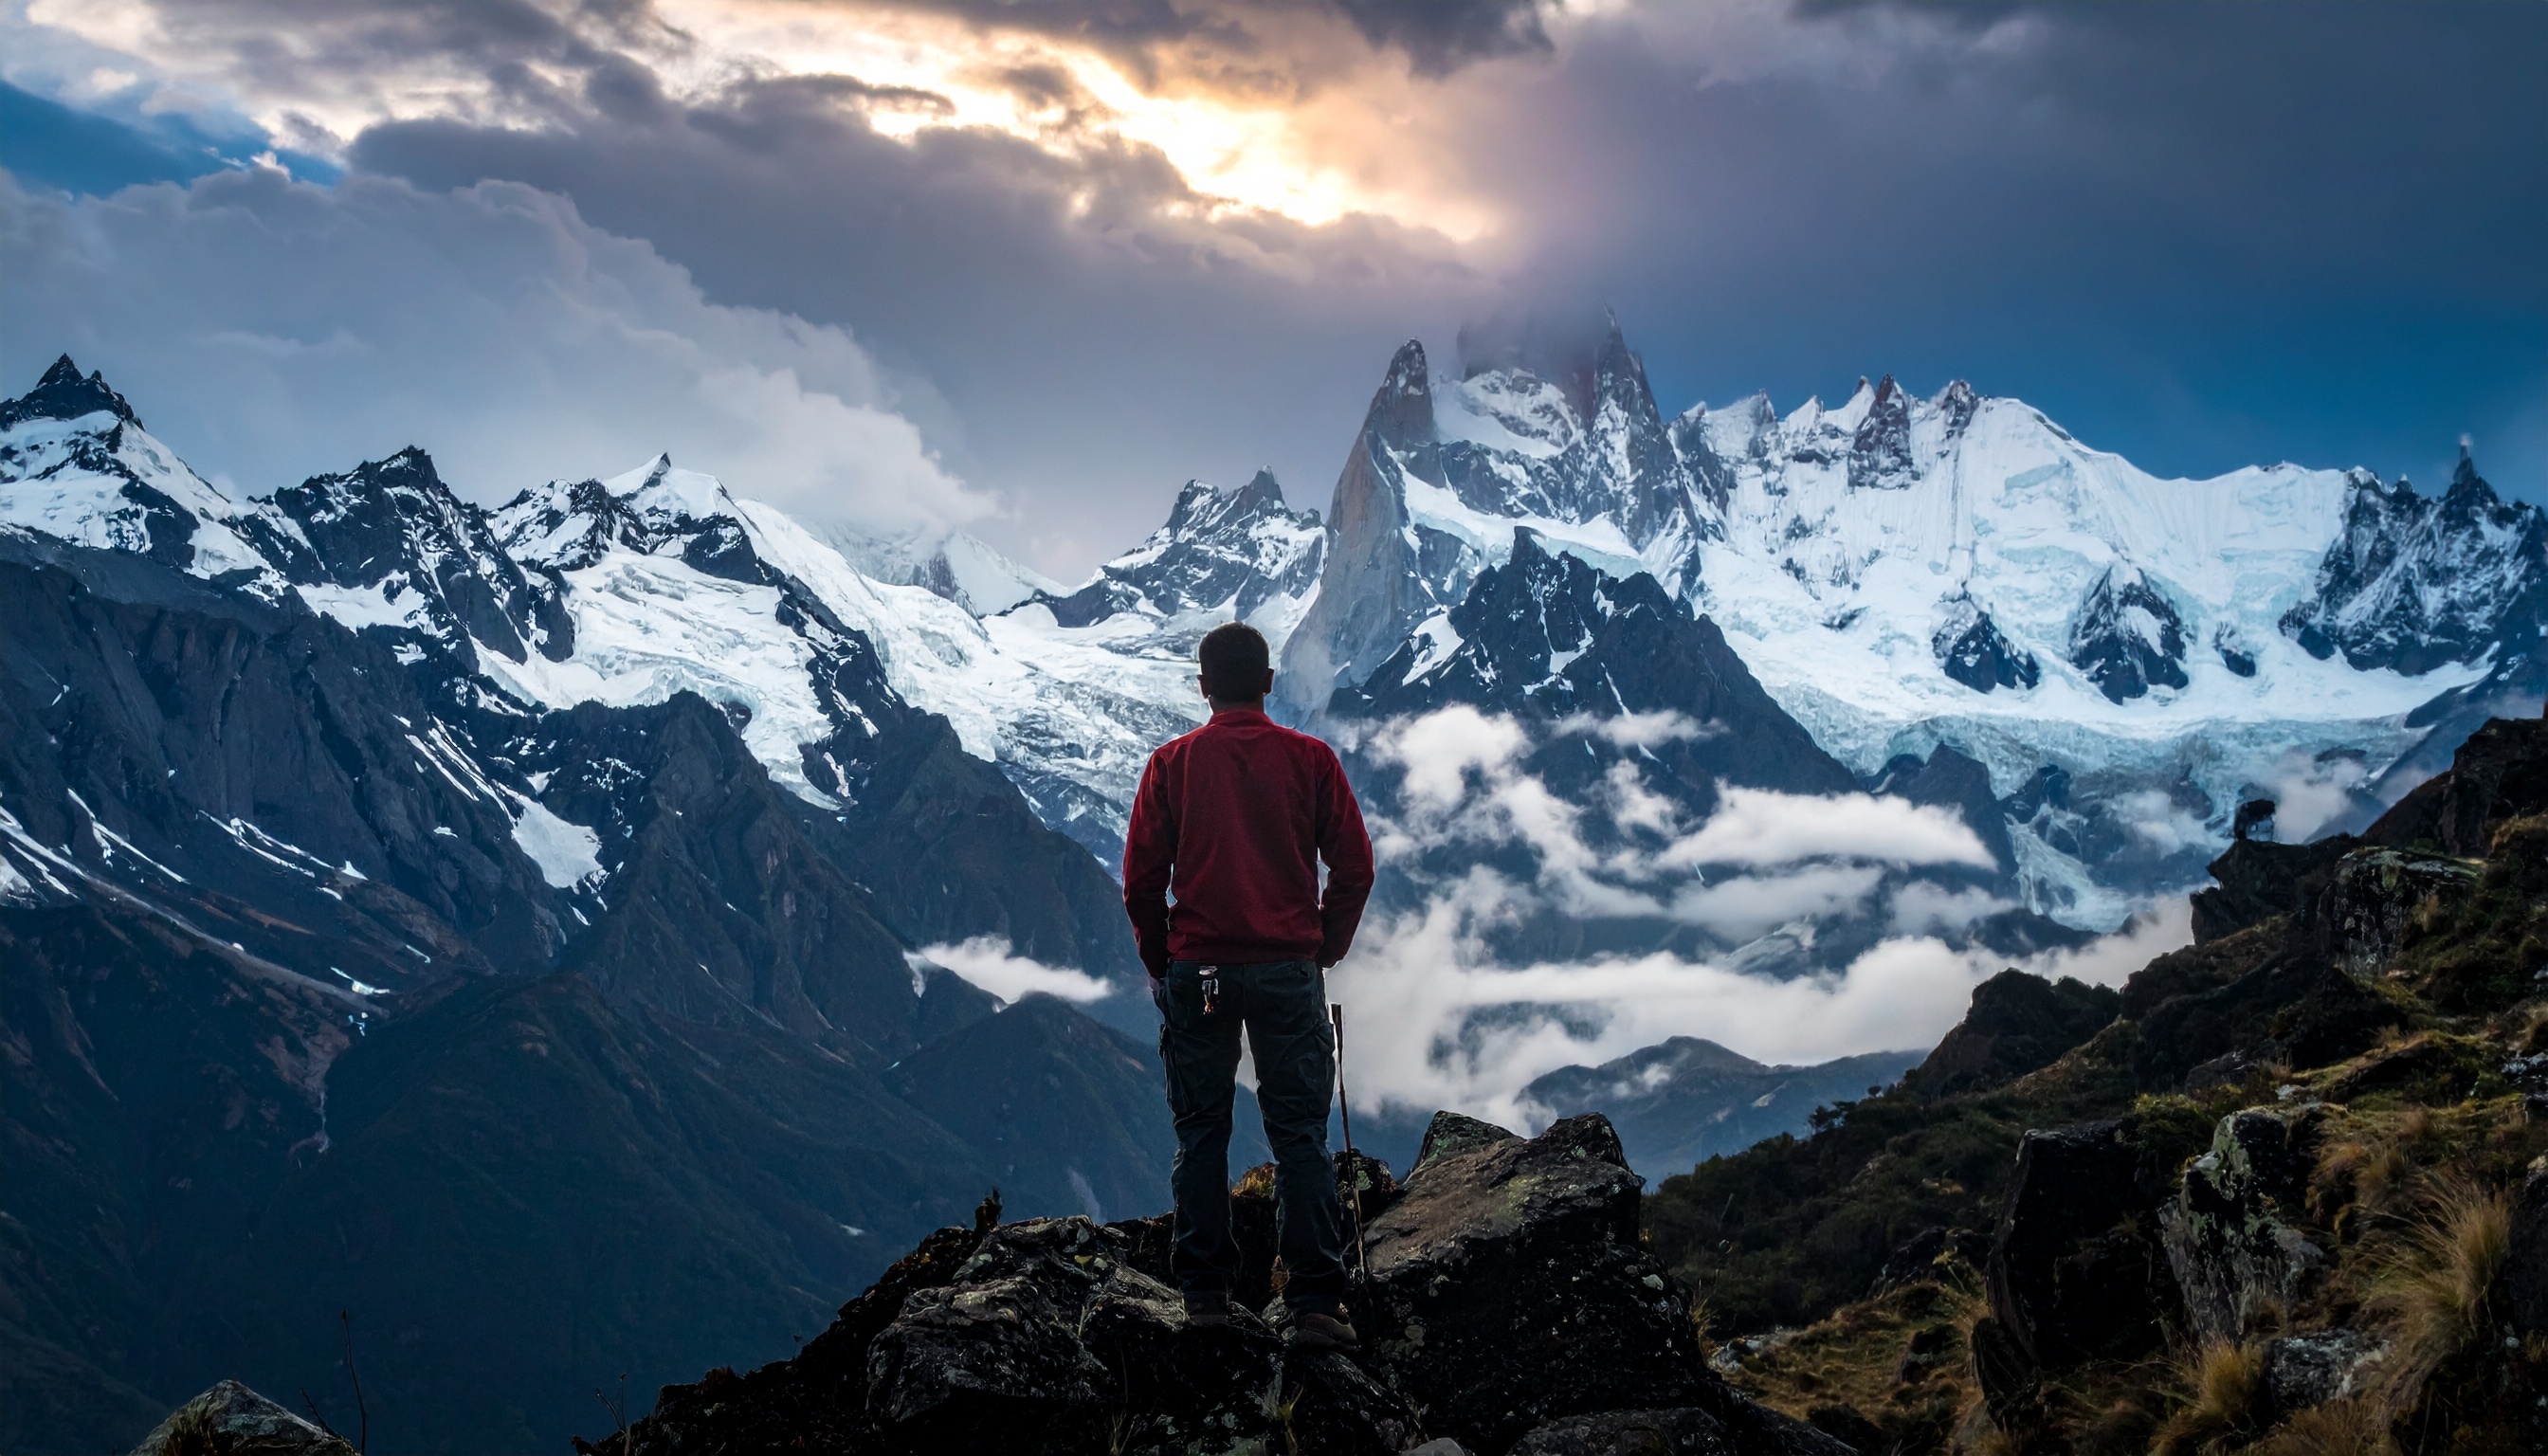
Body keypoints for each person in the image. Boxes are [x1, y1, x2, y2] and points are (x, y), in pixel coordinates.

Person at [1121, 621, 1374, 1349]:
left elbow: (1140, 881)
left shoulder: (1171, 765)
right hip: (1287, 973)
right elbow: (1355, 867)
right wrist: (1322, 945)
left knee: (1201, 1131)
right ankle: (1315, 1305)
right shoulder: (1311, 760)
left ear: (1203, 688)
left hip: (1198, 973)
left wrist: (1160, 960)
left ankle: (1204, 1295)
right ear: (1269, 682)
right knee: (1299, 1134)